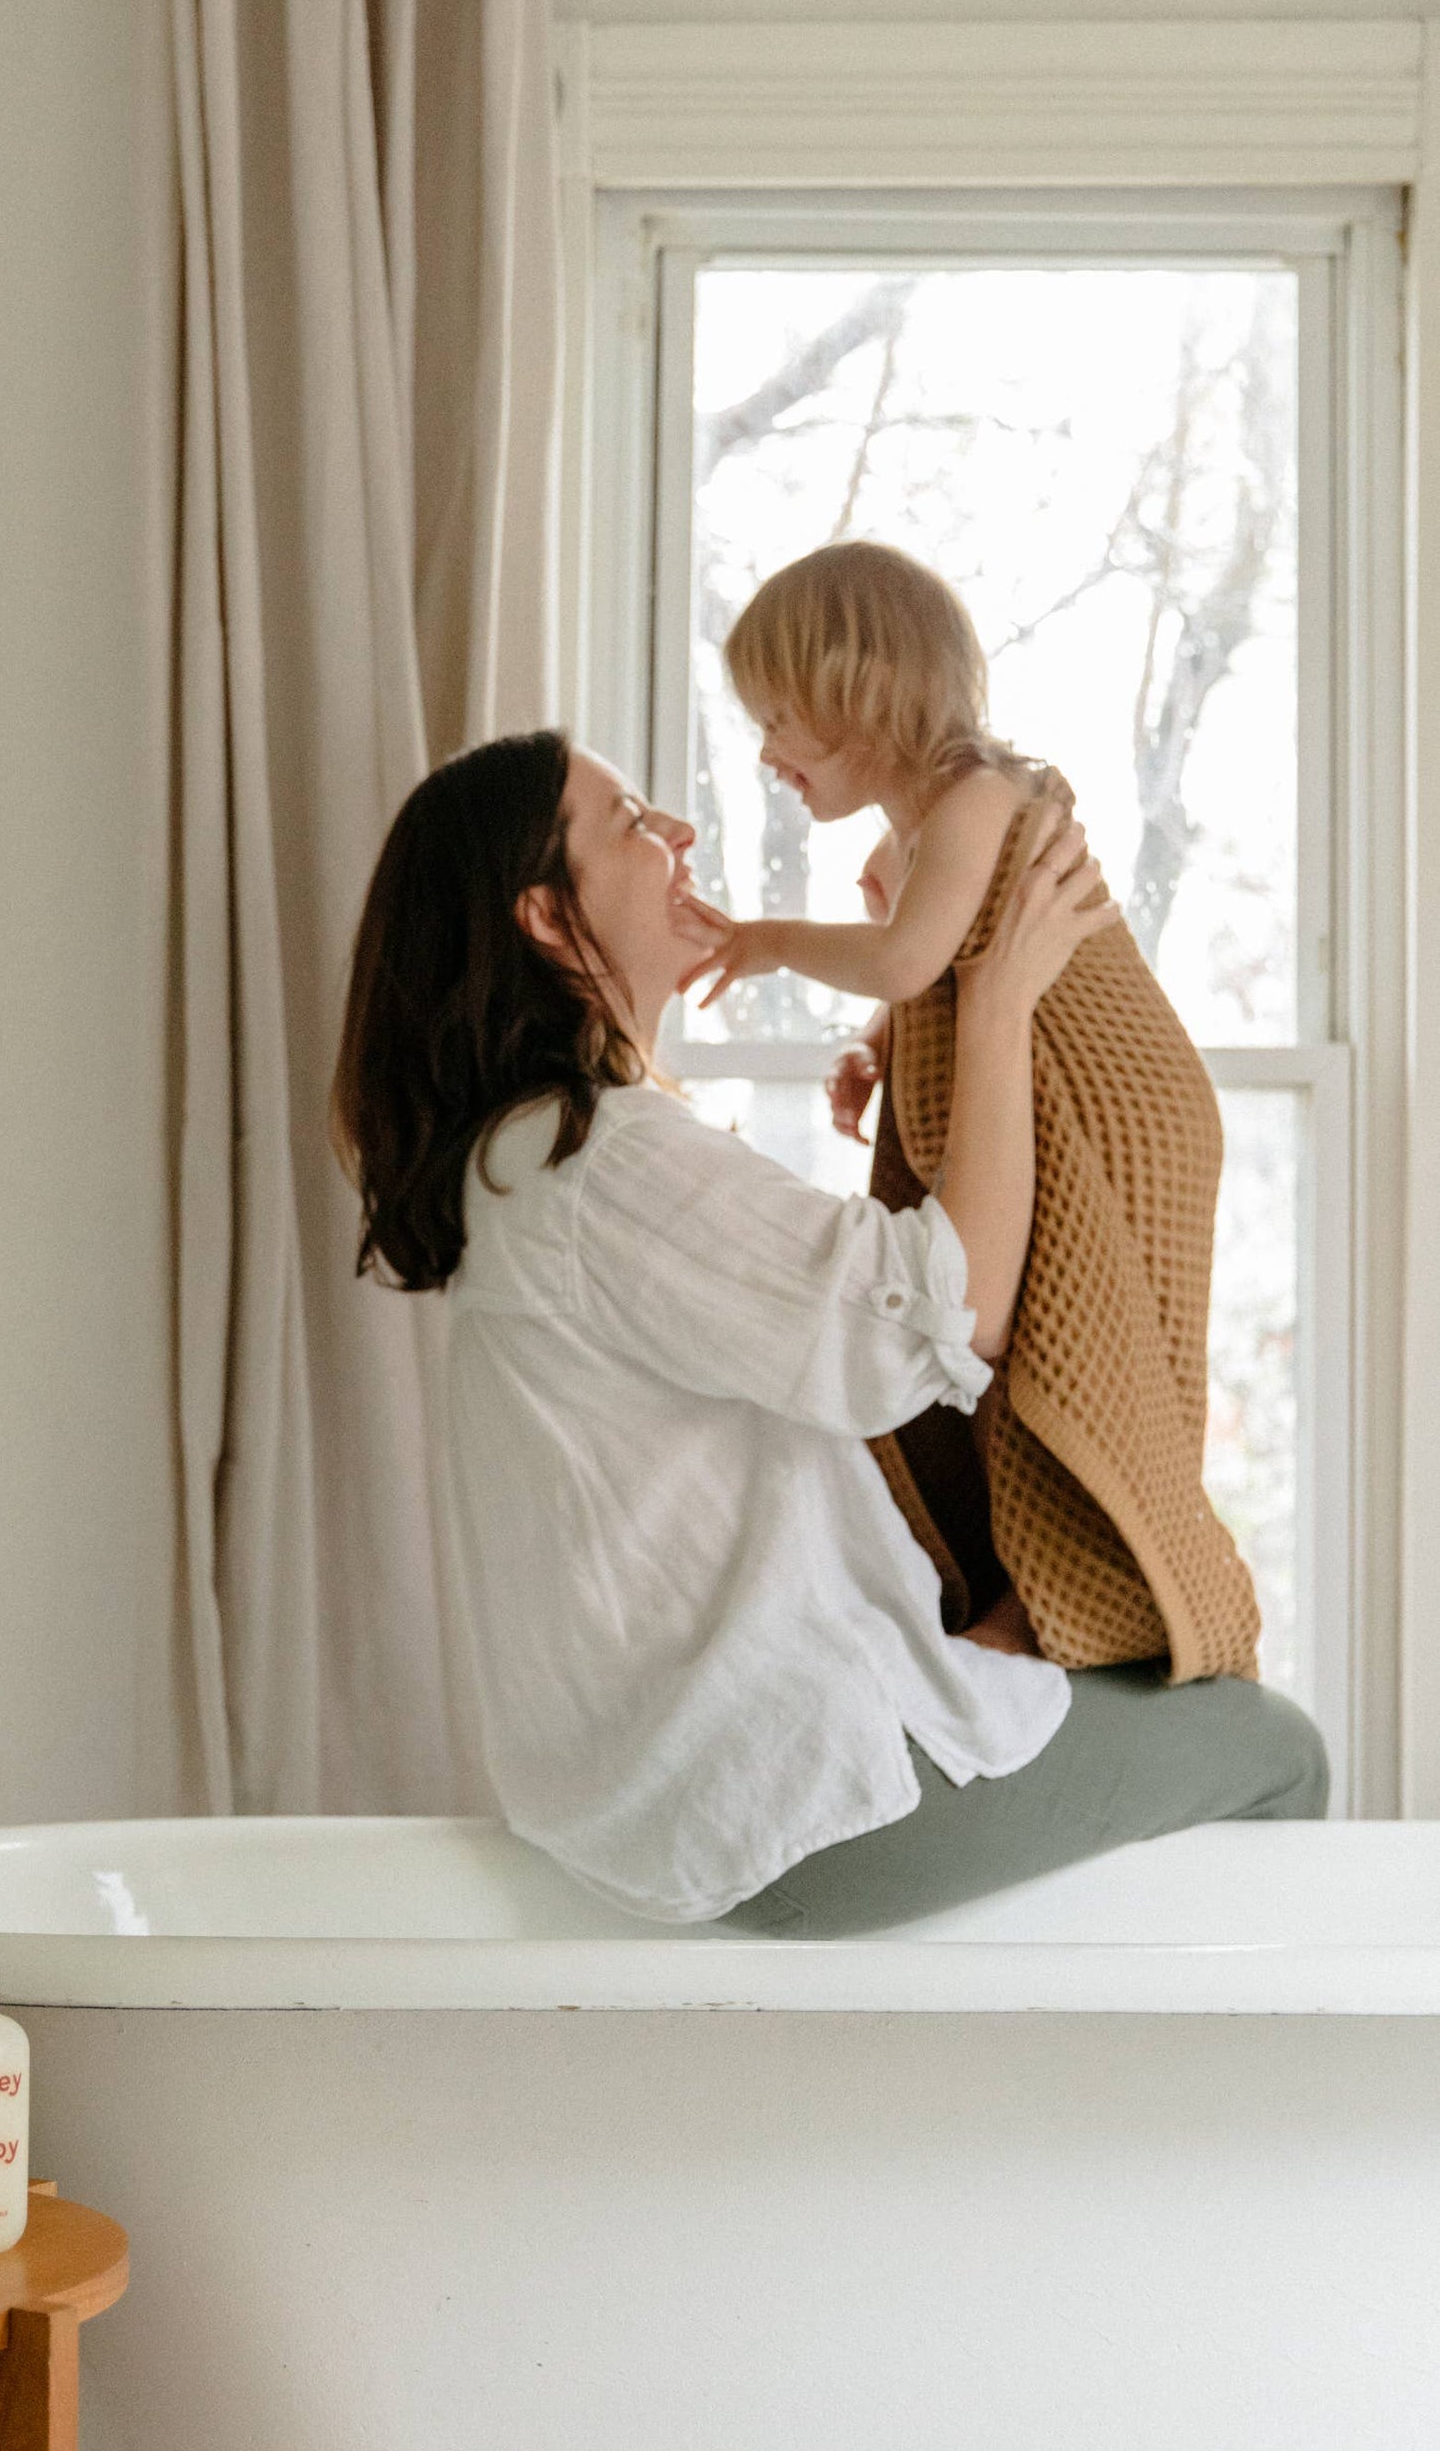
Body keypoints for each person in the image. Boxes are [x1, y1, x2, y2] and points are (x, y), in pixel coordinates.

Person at [331, 729, 1326, 1936]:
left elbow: (828, 1355)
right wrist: (995, 998)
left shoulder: (531, 1163)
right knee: (1273, 1755)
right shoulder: (596, 1159)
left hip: (662, 1782)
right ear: (546, 918)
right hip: (778, 1794)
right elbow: (940, 1317)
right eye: (631, 820)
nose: (679, 835)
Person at [686, 538, 1261, 1684]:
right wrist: (879, 1051)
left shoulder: (976, 798)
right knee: (1010, 1359)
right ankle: (1026, 1583)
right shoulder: (918, 832)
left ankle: (1086, 1593)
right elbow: (943, 979)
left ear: (860, 695)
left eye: (780, 718)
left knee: (1086, 1349)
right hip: (1073, 1101)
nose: (764, 753)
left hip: (1124, 1114)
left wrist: (762, 942)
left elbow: (909, 958)